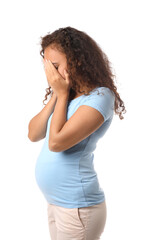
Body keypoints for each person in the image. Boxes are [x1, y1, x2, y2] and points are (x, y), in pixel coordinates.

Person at [28, 26, 126, 240]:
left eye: (55, 66)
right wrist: (57, 95)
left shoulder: (100, 96)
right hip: (57, 203)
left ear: (77, 61)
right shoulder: (67, 96)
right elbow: (34, 134)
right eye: (48, 68)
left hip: (78, 209)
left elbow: (56, 143)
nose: (51, 75)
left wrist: (61, 94)